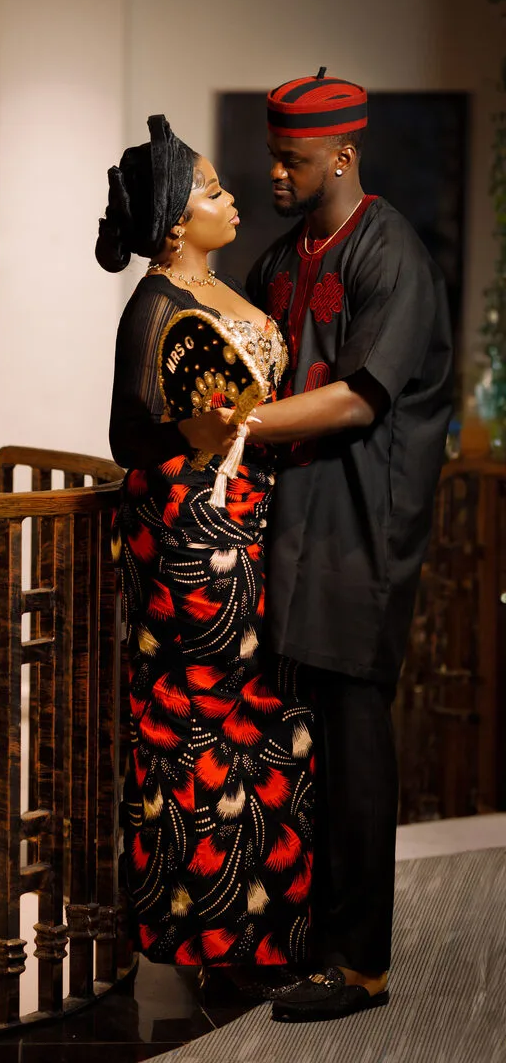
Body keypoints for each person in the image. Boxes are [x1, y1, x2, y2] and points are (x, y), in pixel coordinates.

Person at [242, 70, 454, 1022]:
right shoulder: (280, 261)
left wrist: (241, 426)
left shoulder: (390, 251)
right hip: (293, 526)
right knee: (303, 738)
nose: (276, 175)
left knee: (355, 742)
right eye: (274, 158)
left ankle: (359, 963)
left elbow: (360, 397)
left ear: (343, 153)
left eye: (292, 160)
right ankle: (298, 930)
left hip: (362, 529)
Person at [100, 115, 314, 998]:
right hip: (198, 540)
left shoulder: (230, 291)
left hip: (248, 521)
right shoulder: (158, 307)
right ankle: (211, 937)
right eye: (215, 190)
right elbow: (141, 439)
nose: (232, 199)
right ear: (178, 224)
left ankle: (268, 927)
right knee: (203, 725)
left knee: (259, 720)